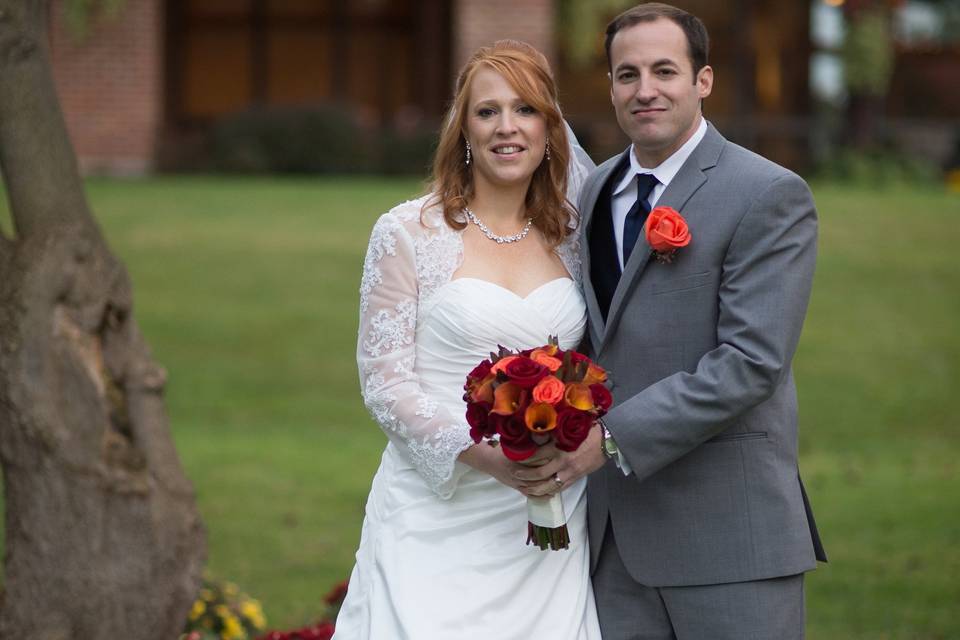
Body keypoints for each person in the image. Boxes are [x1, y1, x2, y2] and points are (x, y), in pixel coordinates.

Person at [512, 4, 827, 638]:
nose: (645, 90)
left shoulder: (767, 194)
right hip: (612, 544)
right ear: (610, 87)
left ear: (702, 80)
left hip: (728, 536)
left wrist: (609, 439)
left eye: (664, 71)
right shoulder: (597, 190)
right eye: (627, 75)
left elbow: (751, 363)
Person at [332, 40, 600, 639]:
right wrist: (485, 455)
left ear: (550, 129)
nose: (508, 128)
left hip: (549, 518)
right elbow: (385, 383)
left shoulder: (574, 236)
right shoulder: (407, 232)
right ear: (465, 130)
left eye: (525, 109)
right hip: (437, 510)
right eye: (488, 112)